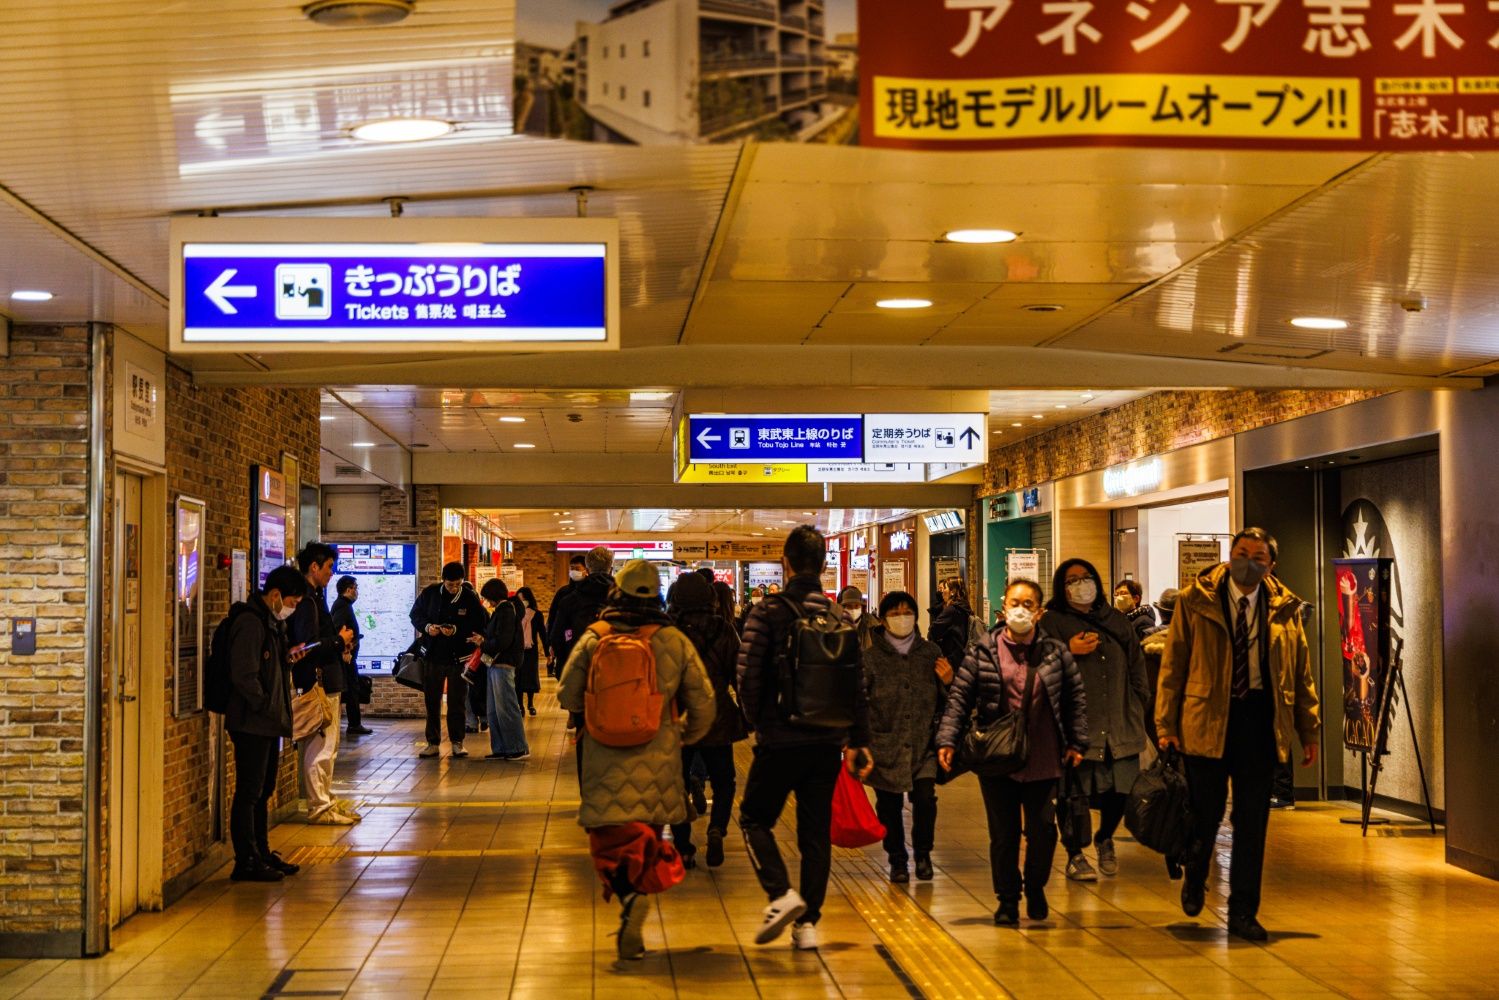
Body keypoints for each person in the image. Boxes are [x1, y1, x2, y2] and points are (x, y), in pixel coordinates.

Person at [1156, 528, 1321, 943]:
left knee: (1252, 823)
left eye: (1259, 556)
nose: (1250, 561)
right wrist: (1165, 725)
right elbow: (1173, 665)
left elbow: (1300, 674)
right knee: (1205, 814)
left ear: (1271, 565)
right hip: (1206, 720)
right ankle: (1195, 876)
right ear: (1230, 557)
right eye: (1242, 553)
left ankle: (1244, 911)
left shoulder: (1285, 608)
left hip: (1260, 722)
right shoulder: (1196, 601)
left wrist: (1309, 728)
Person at [557, 559, 715, 961]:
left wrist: (593, 713)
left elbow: (566, 694)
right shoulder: (673, 639)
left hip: (602, 758)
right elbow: (704, 702)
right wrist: (682, 737)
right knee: (646, 835)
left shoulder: (595, 637)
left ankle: (629, 899)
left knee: (611, 841)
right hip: (658, 757)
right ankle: (639, 896)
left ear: (617, 593)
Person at [738, 525, 873, 951]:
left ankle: (781, 895)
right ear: (824, 563)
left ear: (787, 561)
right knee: (814, 833)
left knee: (755, 819)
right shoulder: (838, 616)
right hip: (826, 743)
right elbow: (857, 685)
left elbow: (748, 676)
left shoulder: (769, 611)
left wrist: (758, 721)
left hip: (780, 739)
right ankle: (808, 925)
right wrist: (857, 739)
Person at [938, 579, 1087, 926]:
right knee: (1003, 835)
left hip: (1044, 757)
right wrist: (947, 740)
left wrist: (1077, 742)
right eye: (1015, 602)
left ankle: (1035, 886)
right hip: (997, 758)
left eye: (1029, 604)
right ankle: (1007, 899)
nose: (1021, 609)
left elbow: (1074, 699)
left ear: (1040, 612)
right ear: (1003, 608)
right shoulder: (983, 651)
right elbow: (960, 698)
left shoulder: (1055, 652)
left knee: (1043, 833)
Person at [1040, 559, 1149, 882]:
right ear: (1061, 587)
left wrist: (1138, 703)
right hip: (1076, 725)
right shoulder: (1052, 622)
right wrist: (1066, 650)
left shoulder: (1116, 620)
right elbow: (1036, 667)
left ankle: (1105, 838)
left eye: (1086, 578)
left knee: (1121, 789)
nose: (1080, 585)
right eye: (1072, 580)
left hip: (1120, 721)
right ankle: (1075, 854)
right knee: (1074, 793)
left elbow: (1136, 665)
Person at [862, 590, 951, 884]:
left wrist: (948, 682)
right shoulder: (871, 658)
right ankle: (897, 859)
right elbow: (859, 700)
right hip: (884, 744)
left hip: (924, 742)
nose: (902, 618)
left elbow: (949, 701)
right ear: (884, 620)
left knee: (926, 799)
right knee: (889, 806)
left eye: (907, 612)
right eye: (895, 613)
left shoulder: (931, 653)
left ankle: (923, 854)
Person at [226, 565, 307, 882]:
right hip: (252, 723)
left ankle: (261, 852)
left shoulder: (271, 624)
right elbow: (244, 675)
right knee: (249, 791)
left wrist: (287, 656)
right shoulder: (250, 622)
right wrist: (264, 706)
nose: (293, 608)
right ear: (276, 595)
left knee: (263, 790)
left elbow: (264, 666)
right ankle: (245, 860)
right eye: (293, 602)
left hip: (266, 721)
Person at [667, 572, 746, 870]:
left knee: (677, 783)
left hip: (678, 718)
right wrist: (746, 714)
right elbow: (739, 674)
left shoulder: (667, 631)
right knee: (724, 781)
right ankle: (717, 829)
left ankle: (684, 845)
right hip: (717, 715)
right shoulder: (723, 628)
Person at [288, 543, 358, 825]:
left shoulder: (315, 597)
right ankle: (319, 806)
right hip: (318, 683)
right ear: (314, 567)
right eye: (329, 567)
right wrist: (339, 640)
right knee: (321, 748)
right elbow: (308, 645)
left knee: (328, 747)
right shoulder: (306, 601)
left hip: (326, 680)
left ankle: (324, 801)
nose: (332, 573)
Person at [410, 561, 487, 759]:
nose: (454, 588)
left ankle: (457, 742)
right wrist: (428, 627)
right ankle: (432, 743)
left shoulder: (469, 597)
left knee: (457, 702)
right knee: (432, 701)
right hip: (433, 656)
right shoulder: (431, 593)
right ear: (443, 580)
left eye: (457, 584)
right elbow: (415, 614)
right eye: (450, 584)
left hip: (458, 658)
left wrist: (456, 630)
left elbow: (480, 622)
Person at [473, 579, 528, 760]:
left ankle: (516, 748)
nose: (487, 602)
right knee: (494, 710)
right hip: (496, 664)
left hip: (503, 664)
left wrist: (483, 642)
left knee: (506, 707)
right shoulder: (502, 611)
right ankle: (501, 748)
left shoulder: (505, 611)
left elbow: (503, 641)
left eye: (488, 598)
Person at [329, 575, 372, 737]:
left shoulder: (343, 605)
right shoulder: (342, 606)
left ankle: (354, 723)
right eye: (356, 588)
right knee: (352, 689)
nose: (357, 592)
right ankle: (354, 724)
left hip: (348, 656)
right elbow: (338, 628)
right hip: (346, 658)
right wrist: (345, 651)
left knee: (352, 689)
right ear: (349, 590)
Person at [546, 554, 588, 677]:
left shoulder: (590, 592)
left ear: (586, 570)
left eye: (577, 568)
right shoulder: (563, 593)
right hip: (564, 645)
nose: (574, 571)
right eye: (572, 568)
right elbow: (552, 618)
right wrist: (551, 643)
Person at [927, 576, 975, 668]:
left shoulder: (951, 610)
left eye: (945, 588)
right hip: (961, 658)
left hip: (950, 660)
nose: (942, 592)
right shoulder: (965, 608)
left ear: (952, 592)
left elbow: (933, 631)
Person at [515, 586, 548, 716]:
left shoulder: (537, 615)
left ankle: (530, 704)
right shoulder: (515, 614)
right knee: (518, 679)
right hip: (517, 650)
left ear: (528, 599)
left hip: (531, 651)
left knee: (530, 677)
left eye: (522, 599)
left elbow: (543, 634)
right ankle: (520, 706)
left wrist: (547, 652)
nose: (521, 601)